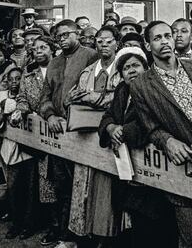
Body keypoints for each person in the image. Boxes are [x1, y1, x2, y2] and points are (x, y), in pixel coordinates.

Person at [130, 20, 192, 248]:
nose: (165, 41)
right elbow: (149, 125)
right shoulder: (141, 85)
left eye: (167, 35)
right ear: (148, 46)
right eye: (157, 38)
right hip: (183, 164)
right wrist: (167, 141)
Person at [99, 48, 177, 248]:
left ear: (146, 68)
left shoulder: (155, 89)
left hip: (153, 169)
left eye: (136, 66)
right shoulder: (122, 91)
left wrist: (124, 131)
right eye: (126, 68)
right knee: (131, 220)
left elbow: (152, 121)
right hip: (127, 168)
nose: (131, 71)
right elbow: (108, 115)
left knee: (153, 223)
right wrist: (111, 127)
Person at [39, 19, 98, 246]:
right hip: (58, 133)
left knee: (83, 186)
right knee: (61, 186)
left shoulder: (90, 56)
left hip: (82, 132)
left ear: (77, 34)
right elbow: (45, 96)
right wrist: (50, 115)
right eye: (59, 36)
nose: (62, 39)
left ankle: (83, 236)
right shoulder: (54, 62)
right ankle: (64, 235)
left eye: (66, 35)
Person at [67, 26, 120, 241]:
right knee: (85, 186)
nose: (104, 45)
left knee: (108, 188)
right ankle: (86, 233)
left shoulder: (123, 68)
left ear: (117, 43)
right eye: (99, 41)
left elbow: (118, 99)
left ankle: (109, 235)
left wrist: (90, 97)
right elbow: (72, 98)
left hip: (111, 136)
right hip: (86, 134)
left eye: (108, 41)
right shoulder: (88, 70)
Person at [12, 36, 58, 245]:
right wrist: (20, 110)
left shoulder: (60, 71)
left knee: (56, 184)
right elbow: (22, 98)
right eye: (36, 48)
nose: (39, 51)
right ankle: (40, 222)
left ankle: (57, 226)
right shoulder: (28, 75)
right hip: (36, 137)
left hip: (58, 134)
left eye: (43, 47)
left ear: (52, 49)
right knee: (38, 183)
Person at [0, 67, 34, 239]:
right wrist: (2, 112)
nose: (14, 83)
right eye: (11, 79)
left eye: (18, 79)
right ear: (6, 81)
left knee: (30, 189)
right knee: (13, 189)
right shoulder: (1, 97)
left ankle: (28, 225)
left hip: (29, 150)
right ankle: (16, 223)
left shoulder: (27, 96)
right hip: (11, 149)